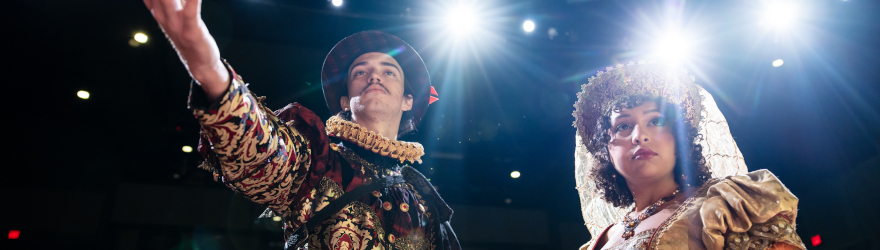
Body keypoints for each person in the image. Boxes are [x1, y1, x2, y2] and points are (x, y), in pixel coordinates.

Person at [142, 0, 458, 249]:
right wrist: (208, 67)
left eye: (389, 71)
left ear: (407, 100)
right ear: (346, 102)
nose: (374, 75)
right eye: (360, 71)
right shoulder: (316, 162)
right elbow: (260, 147)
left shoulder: (426, 204)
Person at [572, 62, 806, 250]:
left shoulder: (727, 207)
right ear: (607, 149)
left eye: (656, 121)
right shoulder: (598, 242)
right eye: (623, 126)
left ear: (679, 137)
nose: (639, 136)